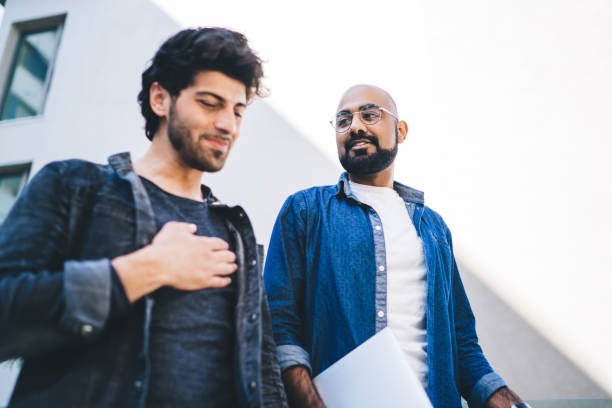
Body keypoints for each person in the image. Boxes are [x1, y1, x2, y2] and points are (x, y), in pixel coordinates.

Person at [0, 27, 286, 408]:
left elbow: (263, 373)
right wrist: (145, 270)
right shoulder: (74, 186)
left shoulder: (234, 232)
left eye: (237, 111)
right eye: (210, 103)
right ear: (160, 99)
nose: (228, 125)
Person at [264, 84, 530, 408]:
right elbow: (279, 328)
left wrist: (506, 399)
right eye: (343, 120)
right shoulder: (305, 211)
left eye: (370, 114)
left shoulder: (433, 229)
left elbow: (462, 343)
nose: (357, 126)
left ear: (400, 131)